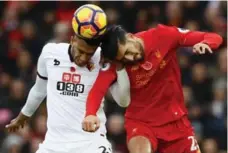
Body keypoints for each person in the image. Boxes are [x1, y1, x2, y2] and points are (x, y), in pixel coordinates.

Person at [82, 24, 223, 153]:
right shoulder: (115, 62)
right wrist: (90, 113)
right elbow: (97, 89)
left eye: (128, 51)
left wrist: (206, 43)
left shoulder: (162, 35)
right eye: (124, 58)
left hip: (176, 121)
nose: (131, 58)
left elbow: (213, 37)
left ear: (130, 36)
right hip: (141, 123)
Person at [5, 23, 131, 153]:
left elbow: (123, 101)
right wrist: (23, 116)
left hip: (91, 143)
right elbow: (39, 90)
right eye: (80, 51)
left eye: (89, 54)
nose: (83, 58)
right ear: (72, 40)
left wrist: (120, 67)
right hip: (54, 144)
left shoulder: (103, 59)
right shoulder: (50, 52)